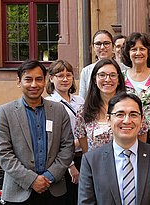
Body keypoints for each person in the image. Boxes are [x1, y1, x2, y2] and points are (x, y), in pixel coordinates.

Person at [0, 60, 74, 204]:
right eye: (28, 79)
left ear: (44, 81)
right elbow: (3, 152)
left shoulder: (59, 110)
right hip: (18, 192)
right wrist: (31, 180)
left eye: (38, 79)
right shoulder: (5, 112)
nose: (34, 85)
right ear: (19, 82)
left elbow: (67, 147)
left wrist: (50, 176)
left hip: (54, 191)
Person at [78, 92, 150, 204]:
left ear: (142, 119)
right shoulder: (91, 160)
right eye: (120, 114)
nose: (127, 121)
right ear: (109, 120)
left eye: (133, 114)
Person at [75, 59, 147, 153]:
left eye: (113, 75)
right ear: (94, 80)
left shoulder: (133, 106)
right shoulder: (83, 111)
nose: (107, 79)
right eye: (102, 75)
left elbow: (142, 136)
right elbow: (86, 151)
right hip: (98, 165)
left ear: (119, 80)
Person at [45, 60, 85, 204]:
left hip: (84, 156)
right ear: (51, 78)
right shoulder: (48, 103)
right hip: (65, 161)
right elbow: (53, 139)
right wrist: (71, 165)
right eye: (60, 75)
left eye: (69, 75)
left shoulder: (79, 100)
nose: (65, 79)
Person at [121, 32, 150, 144]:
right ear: (128, 53)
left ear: (149, 51)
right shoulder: (120, 78)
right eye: (133, 49)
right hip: (126, 129)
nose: (138, 53)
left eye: (142, 49)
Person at [79, 30, 127, 99]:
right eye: (98, 44)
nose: (102, 47)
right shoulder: (86, 71)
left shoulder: (124, 69)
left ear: (113, 46)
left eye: (106, 43)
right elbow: (83, 99)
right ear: (93, 47)